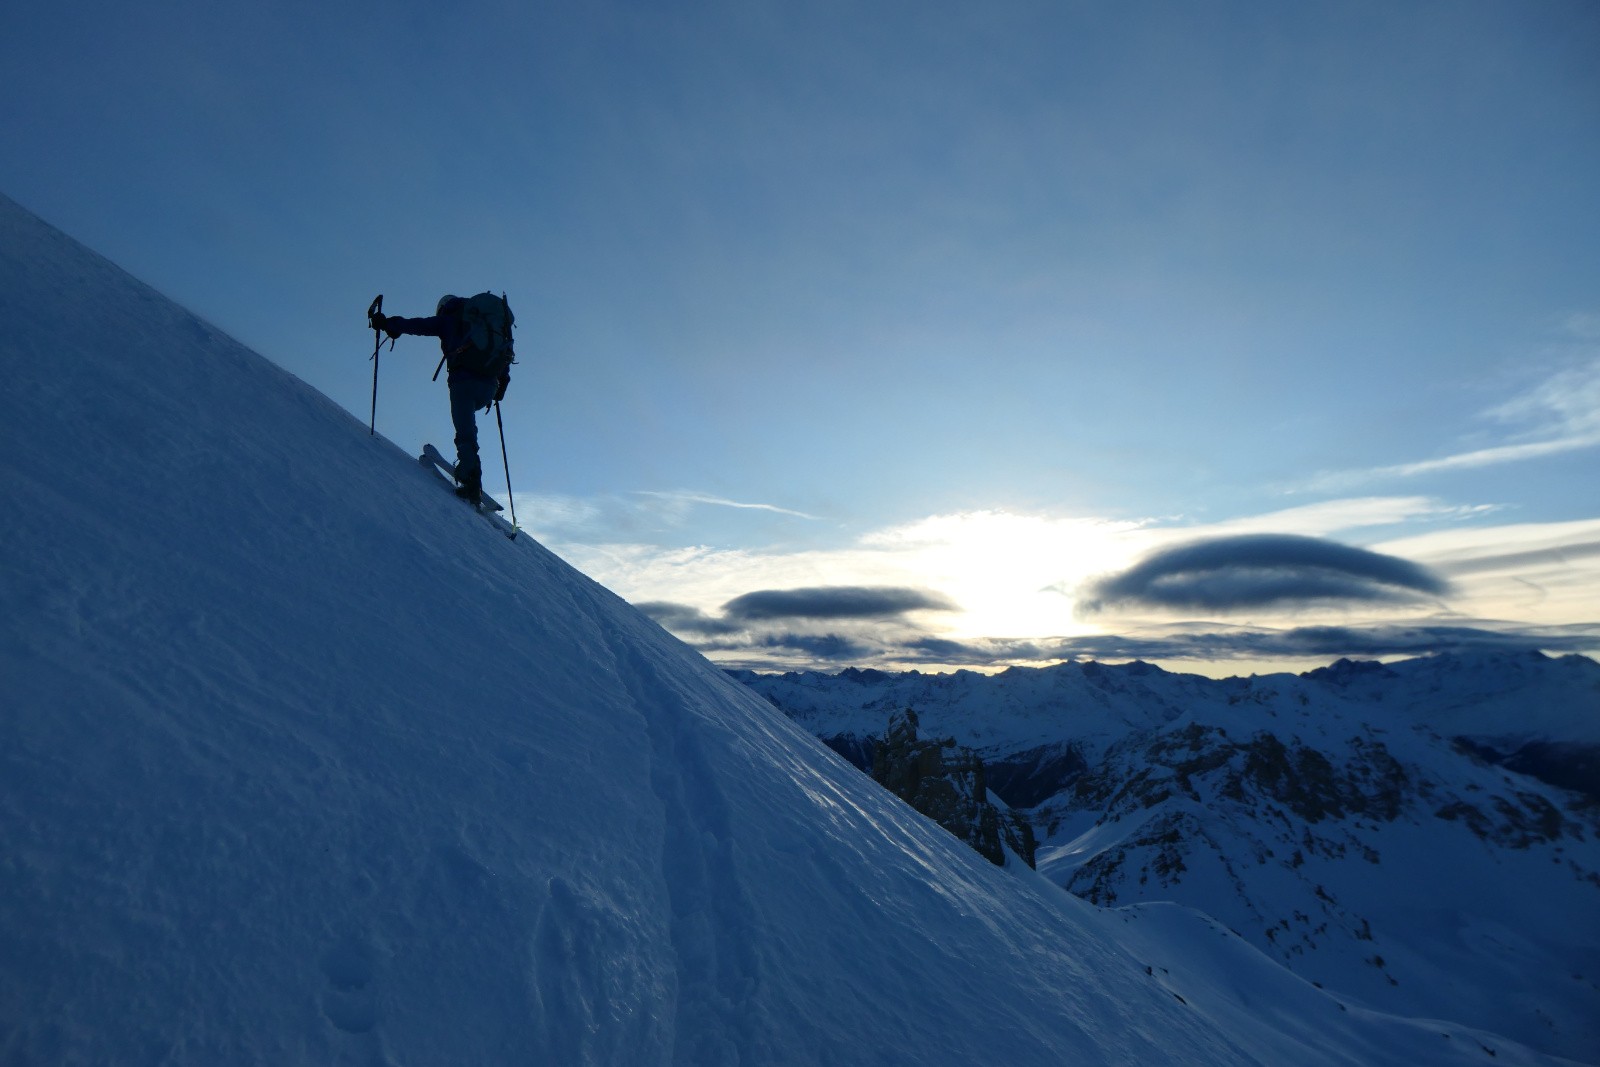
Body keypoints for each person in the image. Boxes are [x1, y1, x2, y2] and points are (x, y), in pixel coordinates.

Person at [373, 295, 510, 504]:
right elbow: (505, 353)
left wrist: (388, 324)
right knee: (469, 429)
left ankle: (470, 478)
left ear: (443, 307)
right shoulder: (487, 324)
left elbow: (418, 325)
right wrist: (501, 384)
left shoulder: (449, 319)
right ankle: (472, 473)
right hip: (489, 387)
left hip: (463, 382)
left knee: (466, 433)